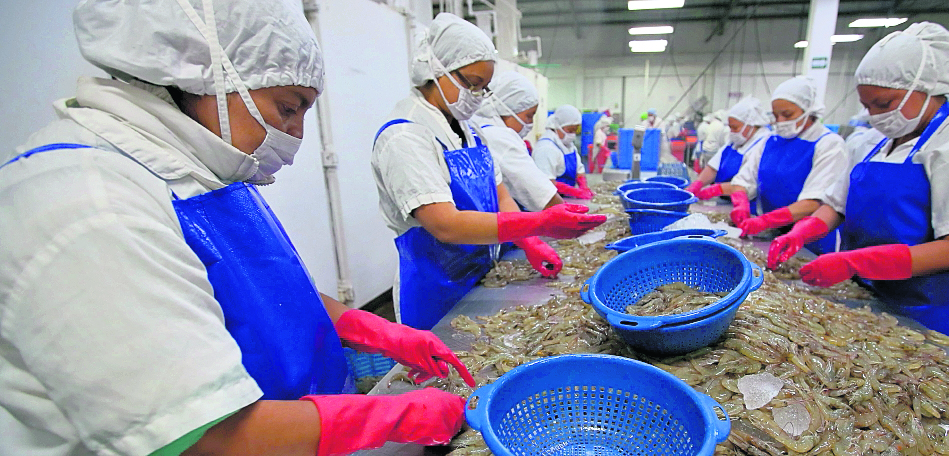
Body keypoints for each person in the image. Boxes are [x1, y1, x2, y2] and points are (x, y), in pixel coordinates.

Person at [0, 1, 482, 454]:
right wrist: (393, 417)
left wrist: (373, 330)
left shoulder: (201, 167)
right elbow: (201, 438)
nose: (294, 135)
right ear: (197, 73)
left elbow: (266, 294)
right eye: (288, 109)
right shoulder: (89, 205)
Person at [766, 22, 949, 352]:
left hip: (925, 312)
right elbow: (835, 204)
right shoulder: (874, 142)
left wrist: (854, 261)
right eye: (867, 107)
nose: (874, 116)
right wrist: (801, 232)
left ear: (925, 89)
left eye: (883, 104)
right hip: (866, 298)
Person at [372, 14, 605, 332]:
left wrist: (528, 241)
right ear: (436, 70)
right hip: (435, 291)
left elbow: (500, 193)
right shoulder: (406, 135)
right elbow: (445, 225)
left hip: (480, 276)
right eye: (471, 83)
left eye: (483, 88)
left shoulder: (469, 130)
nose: (476, 96)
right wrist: (540, 221)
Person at [726, 76, 848, 254]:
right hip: (767, 235)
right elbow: (742, 180)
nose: (781, 121)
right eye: (776, 116)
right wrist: (741, 204)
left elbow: (815, 202)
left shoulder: (829, 144)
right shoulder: (769, 141)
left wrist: (765, 220)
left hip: (809, 242)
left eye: (788, 115)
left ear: (808, 110)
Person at [470, 71, 563, 211]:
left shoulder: (476, 125)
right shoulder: (499, 137)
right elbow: (542, 196)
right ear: (507, 108)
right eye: (528, 116)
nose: (530, 124)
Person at [687, 98, 770, 199]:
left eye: (735, 127)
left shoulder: (764, 143)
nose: (732, 132)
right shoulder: (735, 141)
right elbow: (714, 166)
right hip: (726, 200)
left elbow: (750, 181)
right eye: (730, 127)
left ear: (751, 125)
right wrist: (698, 184)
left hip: (746, 204)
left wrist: (714, 190)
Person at [532, 105, 595, 199]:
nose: (572, 134)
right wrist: (574, 192)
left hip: (565, 198)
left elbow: (579, 170)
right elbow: (546, 182)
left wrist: (583, 187)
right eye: (570, 130)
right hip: (548, 200)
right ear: (557, 126)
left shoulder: (569, 145)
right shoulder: (546, 148)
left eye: (575, 130)